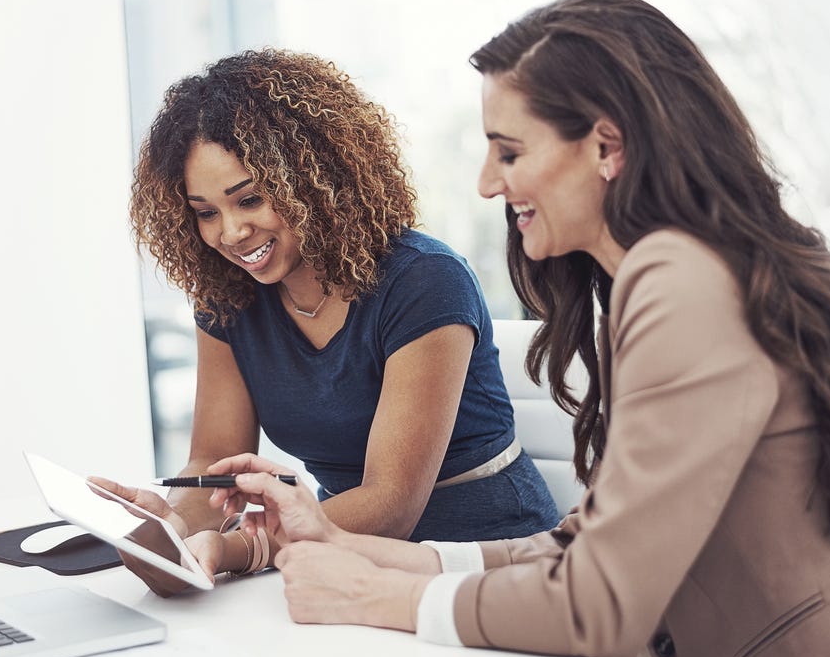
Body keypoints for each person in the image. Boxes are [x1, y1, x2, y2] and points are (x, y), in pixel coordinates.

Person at [104, 0, 830, 657]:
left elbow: (600, 602)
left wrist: (386, 592)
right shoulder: (683, 270)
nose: (489, 182)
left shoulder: (676, 282)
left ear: (606, 147)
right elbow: (585, 542)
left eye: (510, 149)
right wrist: (348, 549)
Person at [118, 48, 559, 595]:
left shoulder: (425, 280)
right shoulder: (227, 297)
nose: (230, 233)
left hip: (484, 560)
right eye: (206, 212)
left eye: (249, 199)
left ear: (311, 178)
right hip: (335, 556)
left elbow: (391, 502)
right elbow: (212, 463)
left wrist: (236, 549)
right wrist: (169, 527)